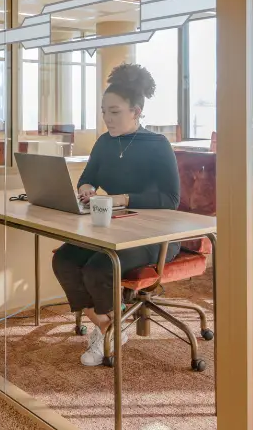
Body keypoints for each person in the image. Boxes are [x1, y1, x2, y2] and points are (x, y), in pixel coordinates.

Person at [52, 63, 180, 366]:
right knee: (64, 260)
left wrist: (124, 198)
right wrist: (85, 188)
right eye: (103, 112)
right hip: (112, 229)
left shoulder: (157, 145)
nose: (107, 119)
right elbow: (88, 177)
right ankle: (109, 325)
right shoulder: (104, 143)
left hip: (155, 235)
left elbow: (171, 199)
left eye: (114, 112)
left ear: (136, 111)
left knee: (99, 268)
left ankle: (107, 331)